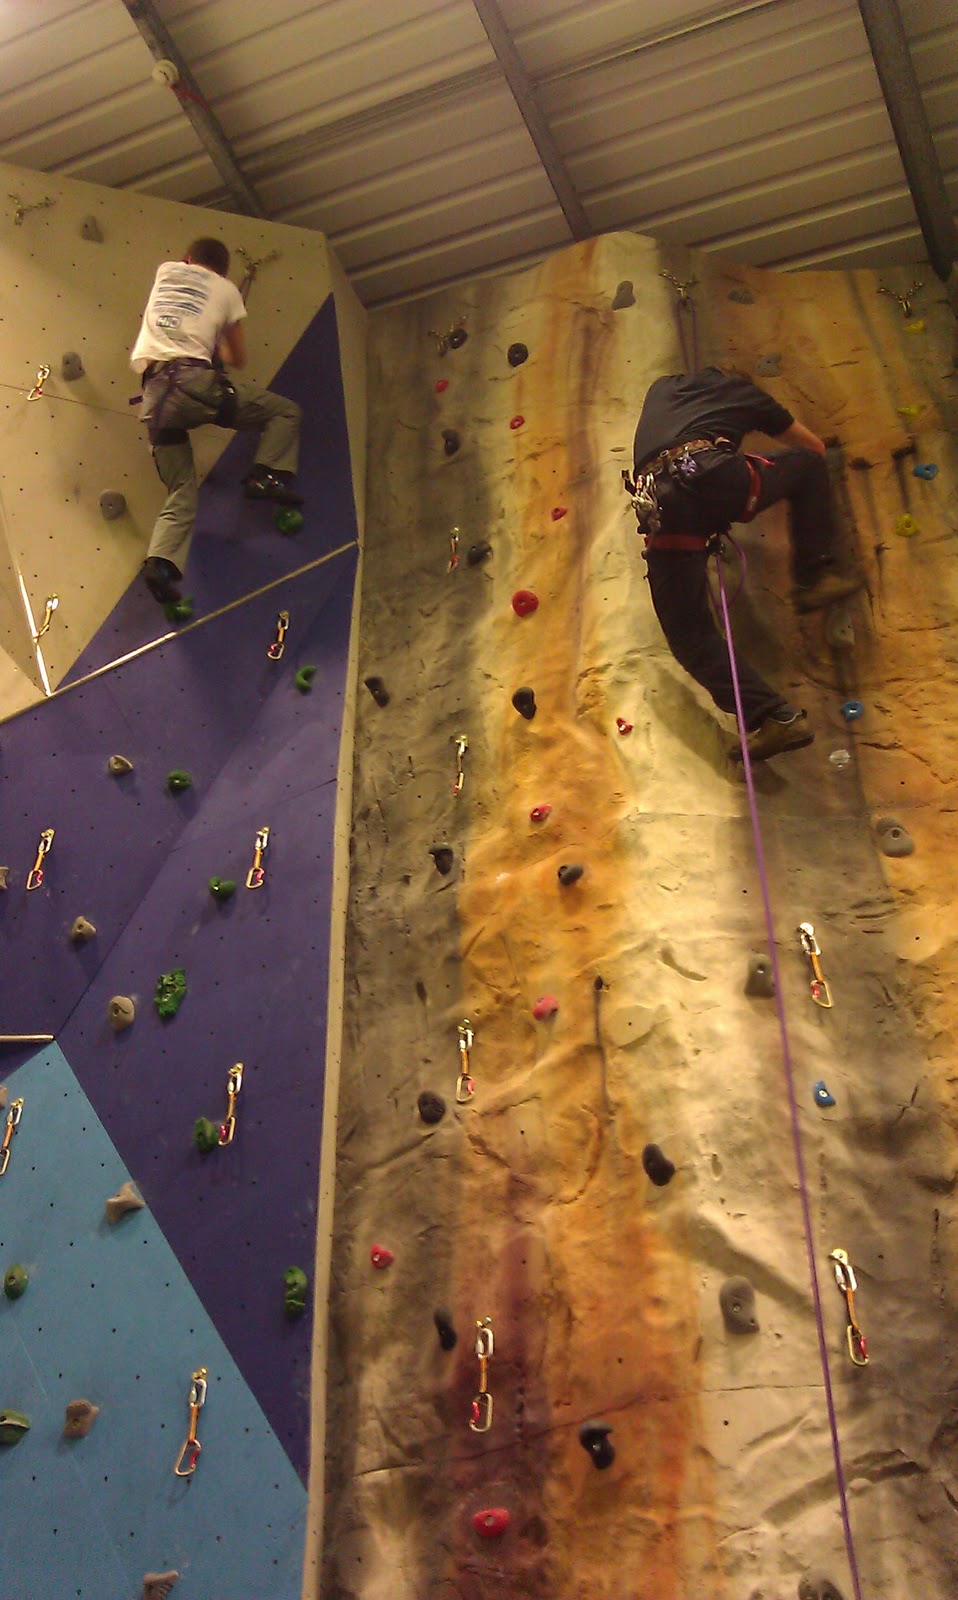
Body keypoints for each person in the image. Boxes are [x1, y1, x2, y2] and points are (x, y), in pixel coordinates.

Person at [628, 366, 863, 761]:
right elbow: (813, 449)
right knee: (806, 465)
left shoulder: (661, 388)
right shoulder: (746, 393)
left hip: (656, 506)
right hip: (709, 475)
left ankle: (775, 717)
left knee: (690, 638)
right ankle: (814, 577)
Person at [130, 237, 303, 605]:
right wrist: (218, 341)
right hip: (195, 387)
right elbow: (236, 357)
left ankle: (159, 563)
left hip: (155, 401)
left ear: (188, 258)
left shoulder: (166, 272)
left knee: (181, 490)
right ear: (223, 271)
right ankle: (265, 475)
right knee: (284, 411)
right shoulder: (226, 290)